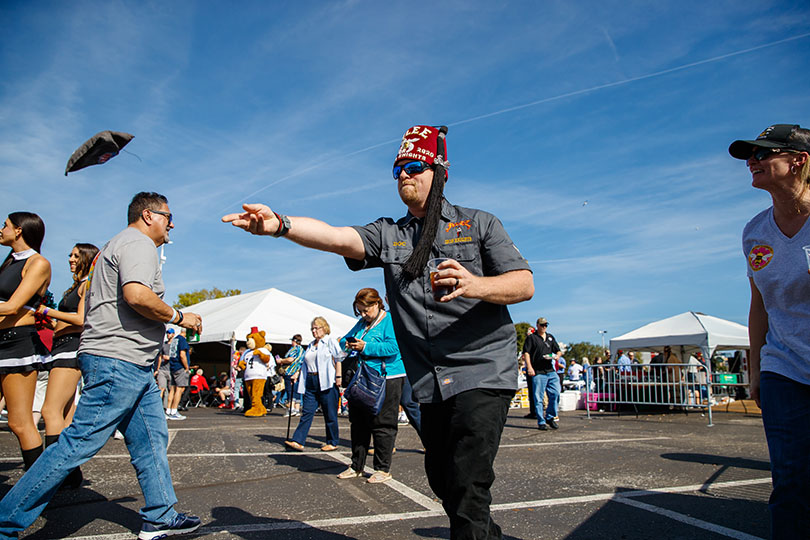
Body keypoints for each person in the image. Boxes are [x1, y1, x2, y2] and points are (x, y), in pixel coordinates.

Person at [223, 124, 533, 538]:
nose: (404, 174)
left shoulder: (479, 224)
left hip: (481, 370)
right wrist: (280, 224)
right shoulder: (390, 234)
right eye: (397, 168)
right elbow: (335, 237)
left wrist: (476, 285)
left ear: (439, 171)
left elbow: (523, 284)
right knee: (443, 478)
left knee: (467, 479)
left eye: (414, 166)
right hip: (430, 380)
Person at [0, 192, 204, 539]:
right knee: (78, 442)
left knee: (151, 439)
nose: (172, 224)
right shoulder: (138, 244)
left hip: (131, 363)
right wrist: (180, 316)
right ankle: (7, 519)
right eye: (168, 217)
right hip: (118, 360)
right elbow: (137, 295)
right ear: (148, 215)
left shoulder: (118, 245)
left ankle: (160, 514)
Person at [730, 124, 810, 539]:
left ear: (798, 159)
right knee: (791, 482)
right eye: (750, 155)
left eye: (763, 153)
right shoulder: (755, 232)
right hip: (786, 370)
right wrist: (758, 368)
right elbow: (759, 304)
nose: (752, 161)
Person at [36, 242, 99, 488]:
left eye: (75, 255)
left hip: (71, 349)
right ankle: (69, 473)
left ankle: (53, 472)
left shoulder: (87, 285)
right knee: (62, 416)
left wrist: (48, 311)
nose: (70, 259)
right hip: (62, 347)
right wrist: (48, 319)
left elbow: (81, 319)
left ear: (86, 258)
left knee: (50, 411)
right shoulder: (76, 286)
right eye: (70, 255)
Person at [337, 288, 406, 484]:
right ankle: (356, 465)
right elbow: (343, 340)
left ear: (377, 304)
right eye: (360, 311)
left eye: (366, 310)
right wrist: (347, 343)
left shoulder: (390, 320)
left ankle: (382, 469)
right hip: (363, 376)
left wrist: (365, 347)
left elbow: (394, 347)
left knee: (383, 423)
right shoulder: (361, 323)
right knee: (358, 422)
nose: (363, 315)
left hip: (388, 376)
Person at [0, 212, 51, 472]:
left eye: (5, 225)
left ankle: (38, 485)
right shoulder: (9, 261)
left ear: (19, 230)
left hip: (17, 344)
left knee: (20, 423)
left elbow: (12, 307)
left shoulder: (38, 263)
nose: (1, 229)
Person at [284, 317, 343, 451]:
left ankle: (332, 441)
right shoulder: (311, 345)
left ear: (324, 328)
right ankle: (298, 440)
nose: (313, 331)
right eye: (312, 328)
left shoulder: (330, 341)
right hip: (310, 380)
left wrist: (338, 376)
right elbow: (305, 363)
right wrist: (297, 374)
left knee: (330, 413)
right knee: (307, 411)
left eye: (316, 328)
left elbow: (339, 358)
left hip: (326, 380)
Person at [522, 317, 561, 431]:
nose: (544, 327)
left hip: (550, 370)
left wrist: (557, 356)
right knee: (538, 397)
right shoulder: (532, 338)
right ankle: (541, 421)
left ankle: (550, 415)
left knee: (555, 393)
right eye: (542, 325)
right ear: (537, 325)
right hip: (538, 371)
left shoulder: (550, 337)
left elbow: (557, 350)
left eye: (546, 325)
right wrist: (529, 367)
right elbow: (527, 353)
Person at [166, 327, 190, 420]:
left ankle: (169, 410)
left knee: (172, 389)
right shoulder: (182, 340)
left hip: (173, 366)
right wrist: (186, 367)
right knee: (180, 389)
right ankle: (174, 411)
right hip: (180, 367)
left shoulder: (175, 339)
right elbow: (182, 355)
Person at [278, 334, 305, 416]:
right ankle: (296, 409)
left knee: (290, 390)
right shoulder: (302, 350)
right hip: (298, 372)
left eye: (292, 341)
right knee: (296, 391)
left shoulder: (294, 349)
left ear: (295, 341)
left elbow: (290, 359)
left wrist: (281, 360)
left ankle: (291, 409)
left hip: (290, 371)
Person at [155, 329, 174, 407]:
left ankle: (168, 408)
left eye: (169, 333)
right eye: (167, 333)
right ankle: (158, 407)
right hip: (162, 370)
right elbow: (160, 357)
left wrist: (170, 358)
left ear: (173, 334)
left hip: (171, 369)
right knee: (161, 388)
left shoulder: (175, 345)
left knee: (170, 390)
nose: (168, 335)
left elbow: (179, 357)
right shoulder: (164, 345)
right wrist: (157, 369)